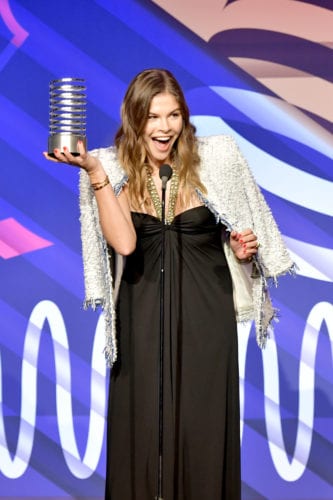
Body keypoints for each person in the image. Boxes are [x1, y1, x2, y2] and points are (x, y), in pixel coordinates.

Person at [45, 68, 294, 500]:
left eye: (174, 115)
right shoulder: (113, 166)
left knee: (202, 435)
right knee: (140, 434)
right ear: (135, 119)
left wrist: (240, 247)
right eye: (154, 117)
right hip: (139, 317)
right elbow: (123, 241)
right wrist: (93, 172)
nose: (165, 128)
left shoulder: (217, 158)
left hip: (205, 318)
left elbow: (242, 228)